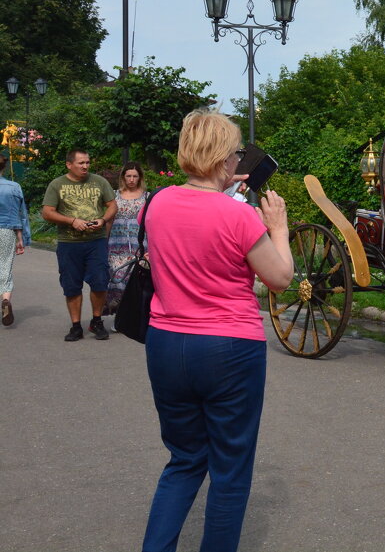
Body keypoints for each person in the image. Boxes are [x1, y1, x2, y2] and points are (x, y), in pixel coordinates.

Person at [141, 110, 293, 552]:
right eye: (236, 153)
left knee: (185, 459)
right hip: (229, 345)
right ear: (225, 158)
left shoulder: (158, 203)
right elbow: (280, 278)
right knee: (230, 468)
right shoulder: (239, 217)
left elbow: (192, 223)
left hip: (166, 341)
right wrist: (279, 228)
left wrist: (222, 189)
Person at [41, 148, 116, 341]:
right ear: (69, 164)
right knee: (71, 285)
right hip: (69, 243)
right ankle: (76, 326)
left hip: (96, 241)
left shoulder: (100, 182)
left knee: (100, 281)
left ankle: (96, 321)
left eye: (87, 162)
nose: (85, 166)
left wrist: (102, 219)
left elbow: (112, 205)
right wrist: (72, 221)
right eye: (81, 163)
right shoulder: (57, 184)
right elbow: (47, 212)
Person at [104, 161, 148, 317]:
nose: (131, 179)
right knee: (116, 277)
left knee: (134, 280)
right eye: (128, 176)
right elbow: (108, 219)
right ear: (123, 177)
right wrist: (103, 241)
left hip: (138, 245)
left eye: (135, 176)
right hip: (116, 244)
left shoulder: (147, 196)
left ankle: (131, 316)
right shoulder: (114, 195)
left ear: (140, 177)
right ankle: (118, 313)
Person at [0, 155, 32, 327]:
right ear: (4, 167)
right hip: (6, 231)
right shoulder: (14, 187)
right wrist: (21, 238)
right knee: (5, 266)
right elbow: (20, 215)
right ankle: (5, 300)